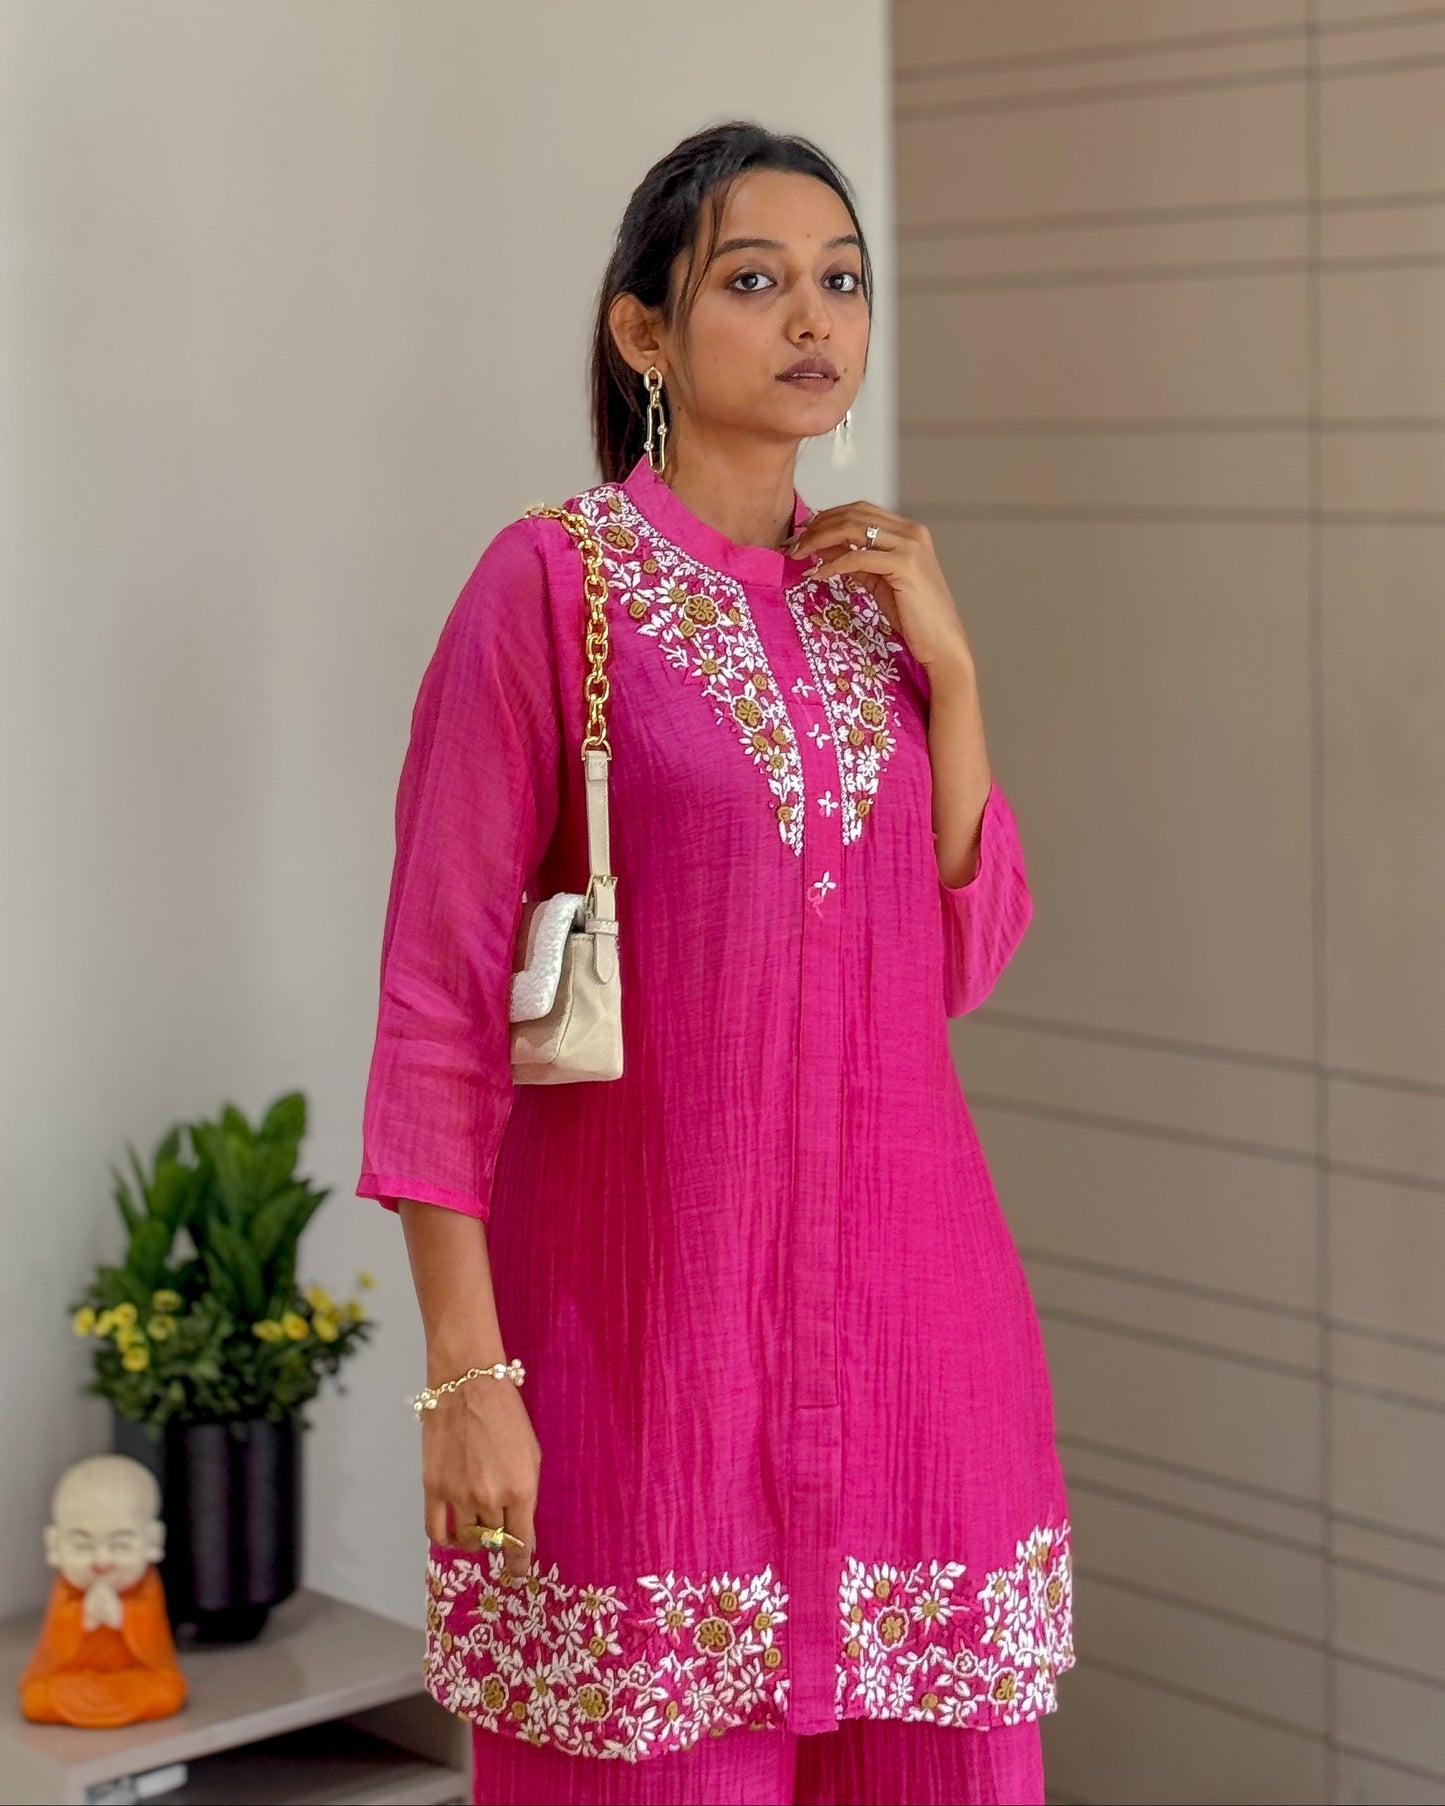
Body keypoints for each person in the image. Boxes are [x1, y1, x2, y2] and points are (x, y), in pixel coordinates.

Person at [355, 120, 1072, 1806]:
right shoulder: (549, 586)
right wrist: (466, 1379)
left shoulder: (875, 612)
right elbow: (435, 1000)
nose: (812, 316)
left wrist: (951, 672)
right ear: (645, 335)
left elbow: (957, 958)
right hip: (640, 1374)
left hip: (919, 1375)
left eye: (840, 281)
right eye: (752, 282)